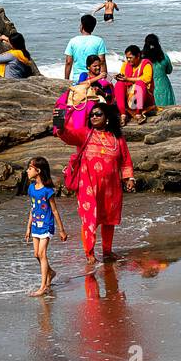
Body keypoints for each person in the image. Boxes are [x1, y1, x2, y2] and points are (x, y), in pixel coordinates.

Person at [56, 100, 135, 267]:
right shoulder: (85, 133)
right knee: (89, 220)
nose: (93, 117)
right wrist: (58, 123)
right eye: (91, 115)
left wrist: (129, 178)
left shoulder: (117, 138)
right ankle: (90, 253)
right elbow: (67, 135)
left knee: (109, 220)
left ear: (106, 118)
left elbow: (125, 160)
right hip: (89, 186)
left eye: (98, 114)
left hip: (112, 187)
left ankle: (107, 251)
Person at [23, 157, 66, 296]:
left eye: (30, 168)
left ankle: (43, 287)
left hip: (46, 225)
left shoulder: (48, 191)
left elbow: (54, 211)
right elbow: (32, 208)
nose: (27, 171)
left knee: (42, 254)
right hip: (35, 225)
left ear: (38, 170)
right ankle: (51, 272)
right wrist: (28, 227)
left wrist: (61, 230)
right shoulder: (31, 188)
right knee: (36, 254)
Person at [112, 45, 155, 124]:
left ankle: (138, 113)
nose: (128, 60)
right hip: (129, 97)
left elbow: (147, 79)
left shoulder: (146, 64)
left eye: (130, 57)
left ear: (138, 56)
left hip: (144, 96)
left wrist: (128, 79)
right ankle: (123, 114)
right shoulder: (125, 65)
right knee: (119, 84)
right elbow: (124, 78)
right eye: (127, 58)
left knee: (140, 83)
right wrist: (119, 78)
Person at [64, 14, 109, 82]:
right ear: (93, 28)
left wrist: (66, 79)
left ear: (82, 26)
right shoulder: (99, 41)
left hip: (77, 79)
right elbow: (102, 60)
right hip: (94, 78)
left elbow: (68, 62)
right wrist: (103, 78)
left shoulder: (73, 41)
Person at [142, 34, 175, 107]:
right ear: (158, 44)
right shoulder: (164, 56)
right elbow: (169, 71)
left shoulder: (141, 57)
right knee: (166, 107)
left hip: (147, 85)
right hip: (163, 85)